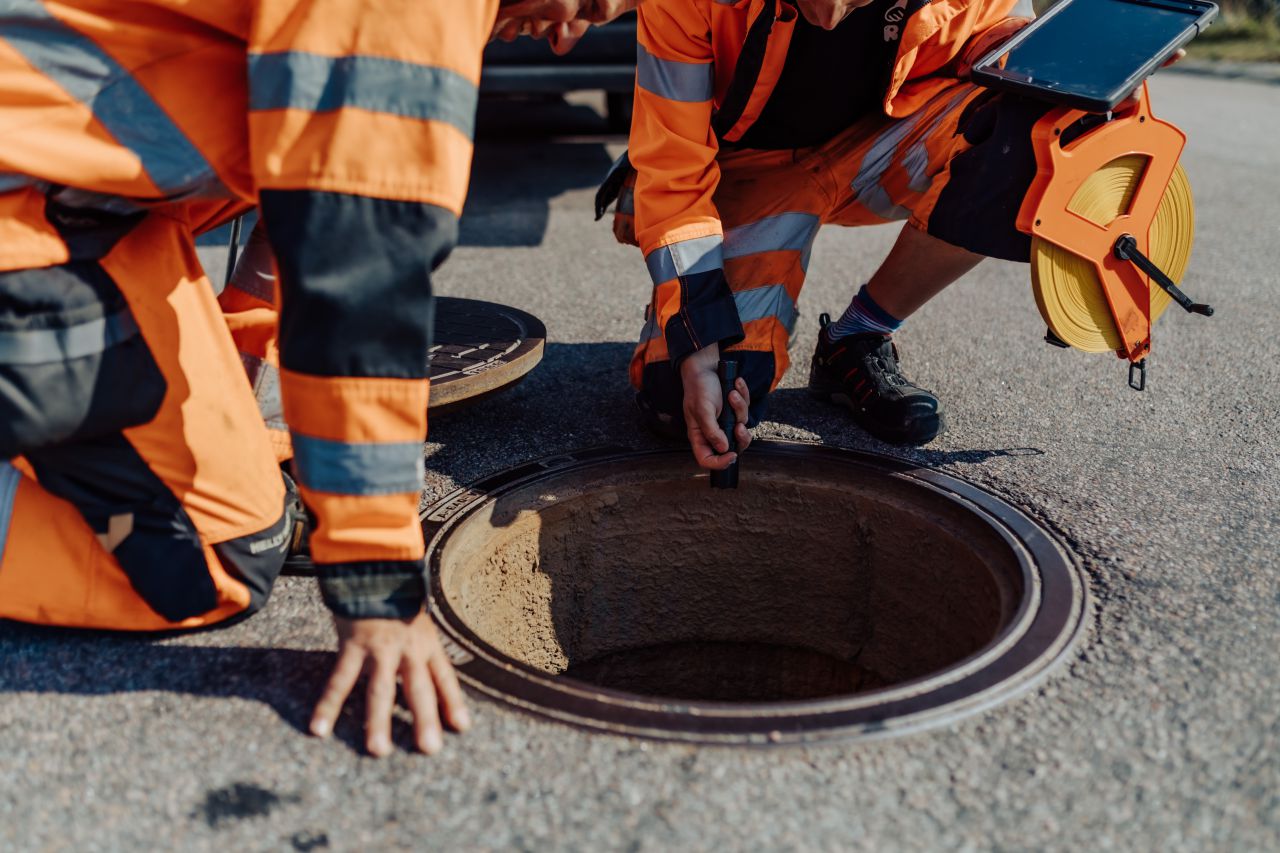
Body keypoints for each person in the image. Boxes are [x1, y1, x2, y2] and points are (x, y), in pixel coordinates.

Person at [0, 0, 631, 759]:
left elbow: (298, 198)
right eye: (587, 5)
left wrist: (246, 403)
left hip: (80, 208)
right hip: (31, 215)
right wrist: (375, 579)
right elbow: (358, 266)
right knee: (213, 556)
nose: (566, 39)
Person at [606, 0, 1049, 457]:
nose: (833, 14)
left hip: (883, 147)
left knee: (1035, 127)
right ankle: (740, 313)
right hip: (750, 173)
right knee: (685, 402)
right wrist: (698, 341)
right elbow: (674, 174)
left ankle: (858, 334)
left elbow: (1011, 52)